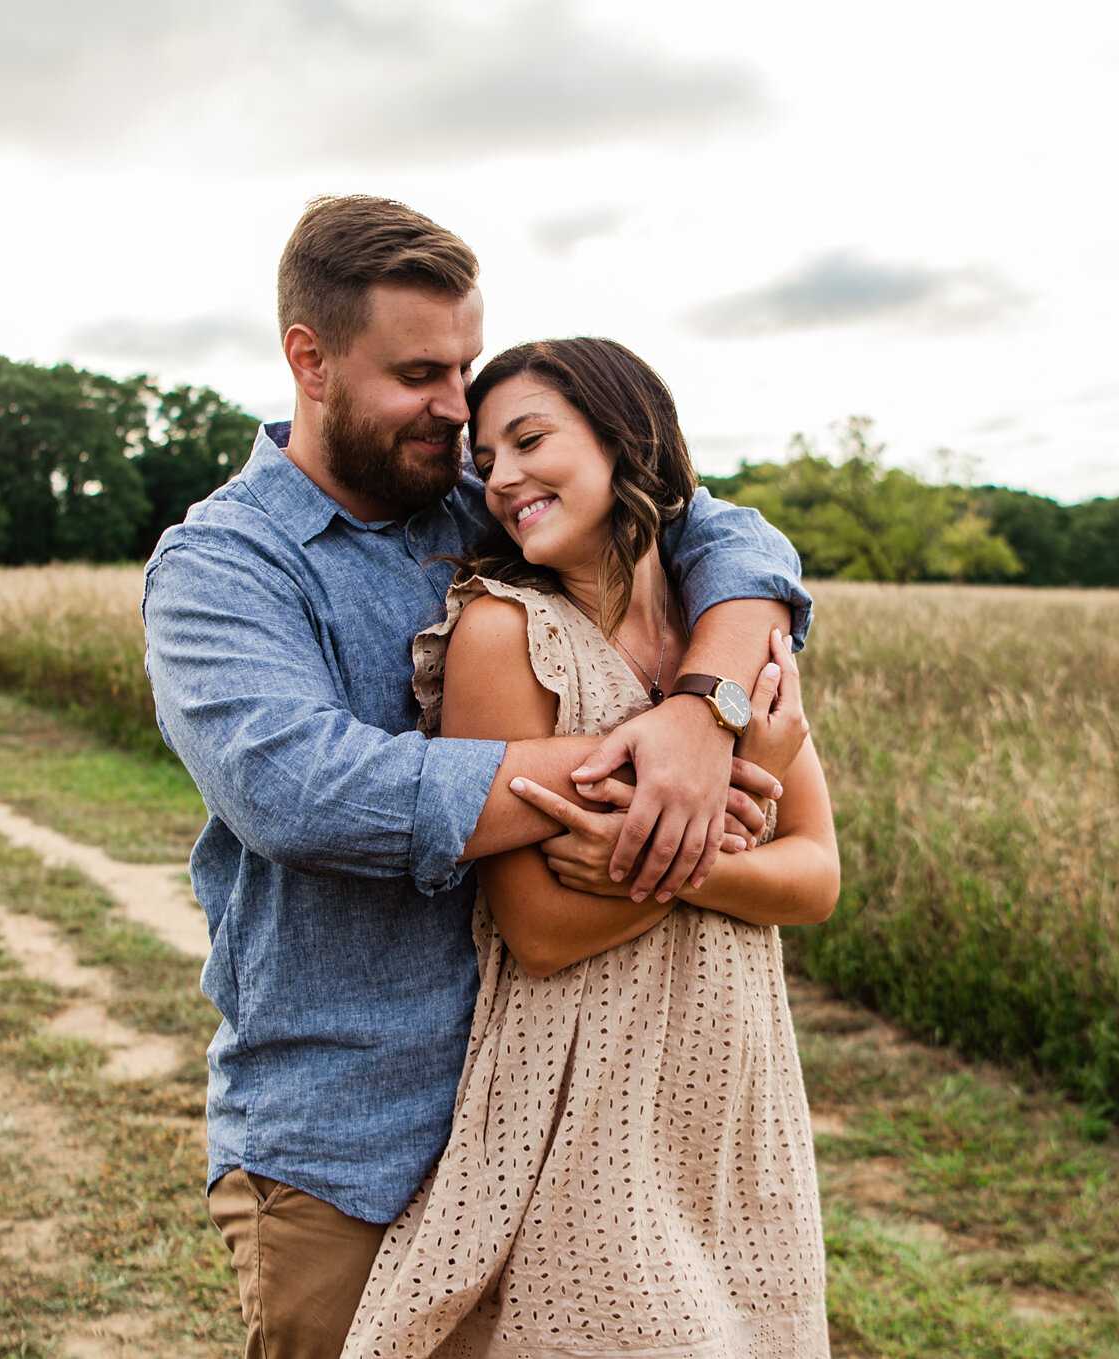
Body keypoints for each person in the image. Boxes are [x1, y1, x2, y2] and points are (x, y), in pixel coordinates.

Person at [142, 196, 811, 1359]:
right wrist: (646, 770)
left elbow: (726, 531)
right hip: (357, 1141)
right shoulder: (221, 565)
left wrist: (704, 715)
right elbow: (299, 791)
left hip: (570, 1129)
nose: (457, 411)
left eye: (464, 368)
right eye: (418, 374)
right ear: (308, 359)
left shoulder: (485, 495)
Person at [340, 338, 838, 1359]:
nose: (503, 476)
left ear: (627, 439)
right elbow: (541, 929)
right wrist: (732, 823)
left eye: (529, 439)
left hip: (737, 1096)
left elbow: (814, 875)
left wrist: (682, 846)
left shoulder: (735, 642)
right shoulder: (502, 633)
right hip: (584, 1103)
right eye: (487, 459)